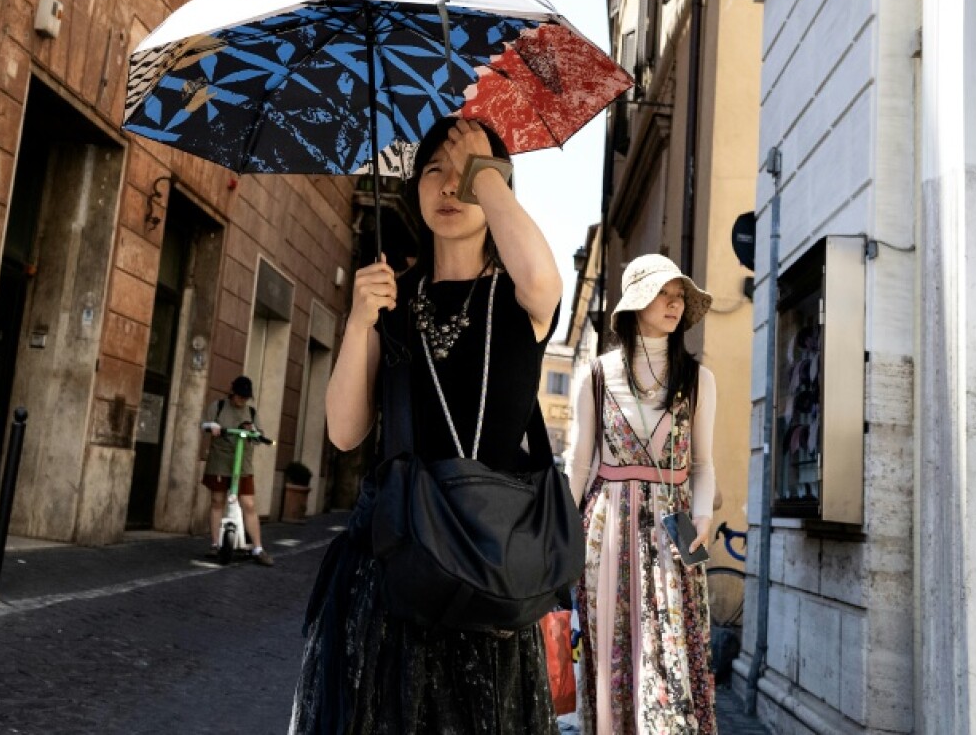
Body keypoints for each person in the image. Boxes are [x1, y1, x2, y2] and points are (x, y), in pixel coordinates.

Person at [289, 116, 563, 734]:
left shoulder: (519, 296)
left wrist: (483, 172)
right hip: (395, 568)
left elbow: (545, 280)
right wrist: (360, 321)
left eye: (464, 172)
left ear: (498, 185)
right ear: (411, 189)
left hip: (489, 563)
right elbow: (343, 431)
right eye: (432, 172)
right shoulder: (392, 297)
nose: (448, 187)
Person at [566, 254, 718, 734]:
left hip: (674, 532)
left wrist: (703, 517)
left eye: (681, 297)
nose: (675, 305)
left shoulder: (697, 380)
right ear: (635, 303)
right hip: (606, 527)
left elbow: (703, 464)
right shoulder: (595, 374)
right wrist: (559, 534)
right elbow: (578, 462)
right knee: (612, 650)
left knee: (671, 656)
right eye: (664, 294)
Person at [200, 375, 274, 566]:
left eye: (246, 397)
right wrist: (212, 426)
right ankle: (215, 544)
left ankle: (258, 548)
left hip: (243, 465)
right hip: (220, 461)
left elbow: (260, 435)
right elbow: (204, 424)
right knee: (217, 501)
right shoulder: (218, 407)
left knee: (248, 504)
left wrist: (255, 432)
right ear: (233, 392)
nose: (242, 401)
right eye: (240, 396)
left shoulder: (251, 412)